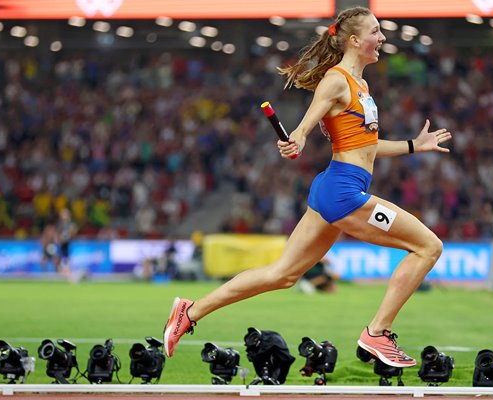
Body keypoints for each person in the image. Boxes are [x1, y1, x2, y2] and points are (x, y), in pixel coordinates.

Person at [163, 6, 452, 368]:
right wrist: (295, 139)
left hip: (334, 189)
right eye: (376, 32)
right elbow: (304, 124)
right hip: (344, 194)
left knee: (282, 275)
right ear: (354, 40)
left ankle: (190, 311)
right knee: (428, 246)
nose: (382, 38)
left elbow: (365, 147)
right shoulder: (336, 80)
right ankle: (377, 333)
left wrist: (413, 145)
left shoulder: (361, 85)